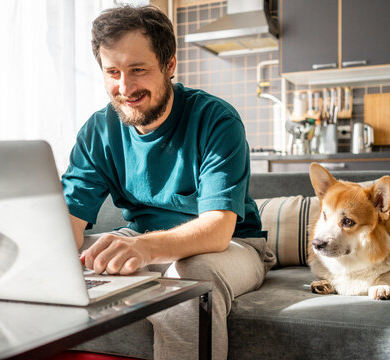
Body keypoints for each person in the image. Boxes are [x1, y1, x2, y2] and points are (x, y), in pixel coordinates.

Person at [61, 4, 276, 360]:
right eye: (112, 71)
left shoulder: (216, 120)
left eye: (138, 70)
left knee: (189, 275)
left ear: (170, 65)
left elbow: (218, 229)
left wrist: (143, 249)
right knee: (90, 253)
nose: (124, 87)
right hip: (145, 239)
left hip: (232, 246)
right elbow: (68, 222)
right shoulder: (98, 131)